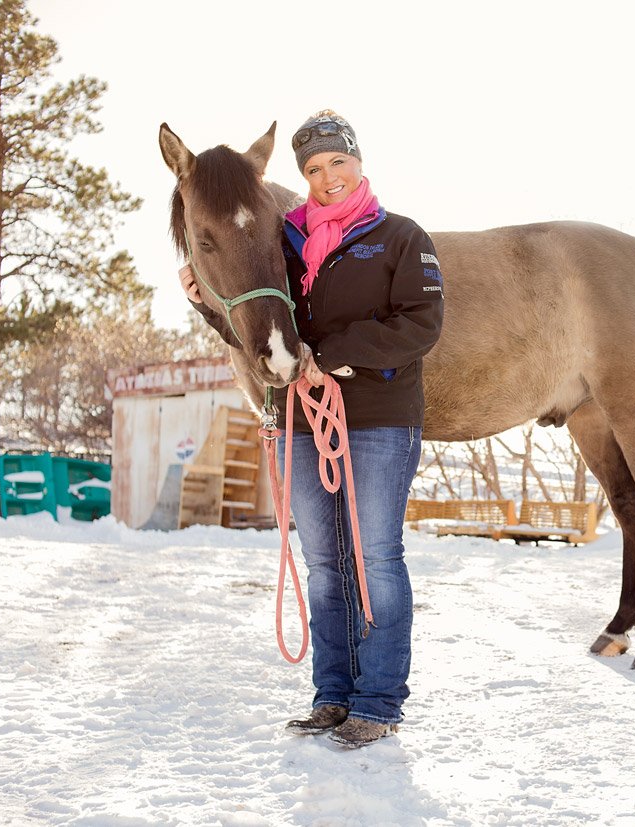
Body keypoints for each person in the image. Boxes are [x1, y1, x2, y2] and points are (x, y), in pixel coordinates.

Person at [179, 110, 444, 748]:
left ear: (358, 164)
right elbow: (272, 336)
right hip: (305, 420)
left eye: (338, 163)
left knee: (377, 559)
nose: (327, 178)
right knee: (324, 563)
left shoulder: (401, 237)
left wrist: (340, 351)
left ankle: (378, 701)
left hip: (378, 418)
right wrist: (208, 309)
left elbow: (422, 325)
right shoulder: (289, 245)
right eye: (314, 169)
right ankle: (333, 695)